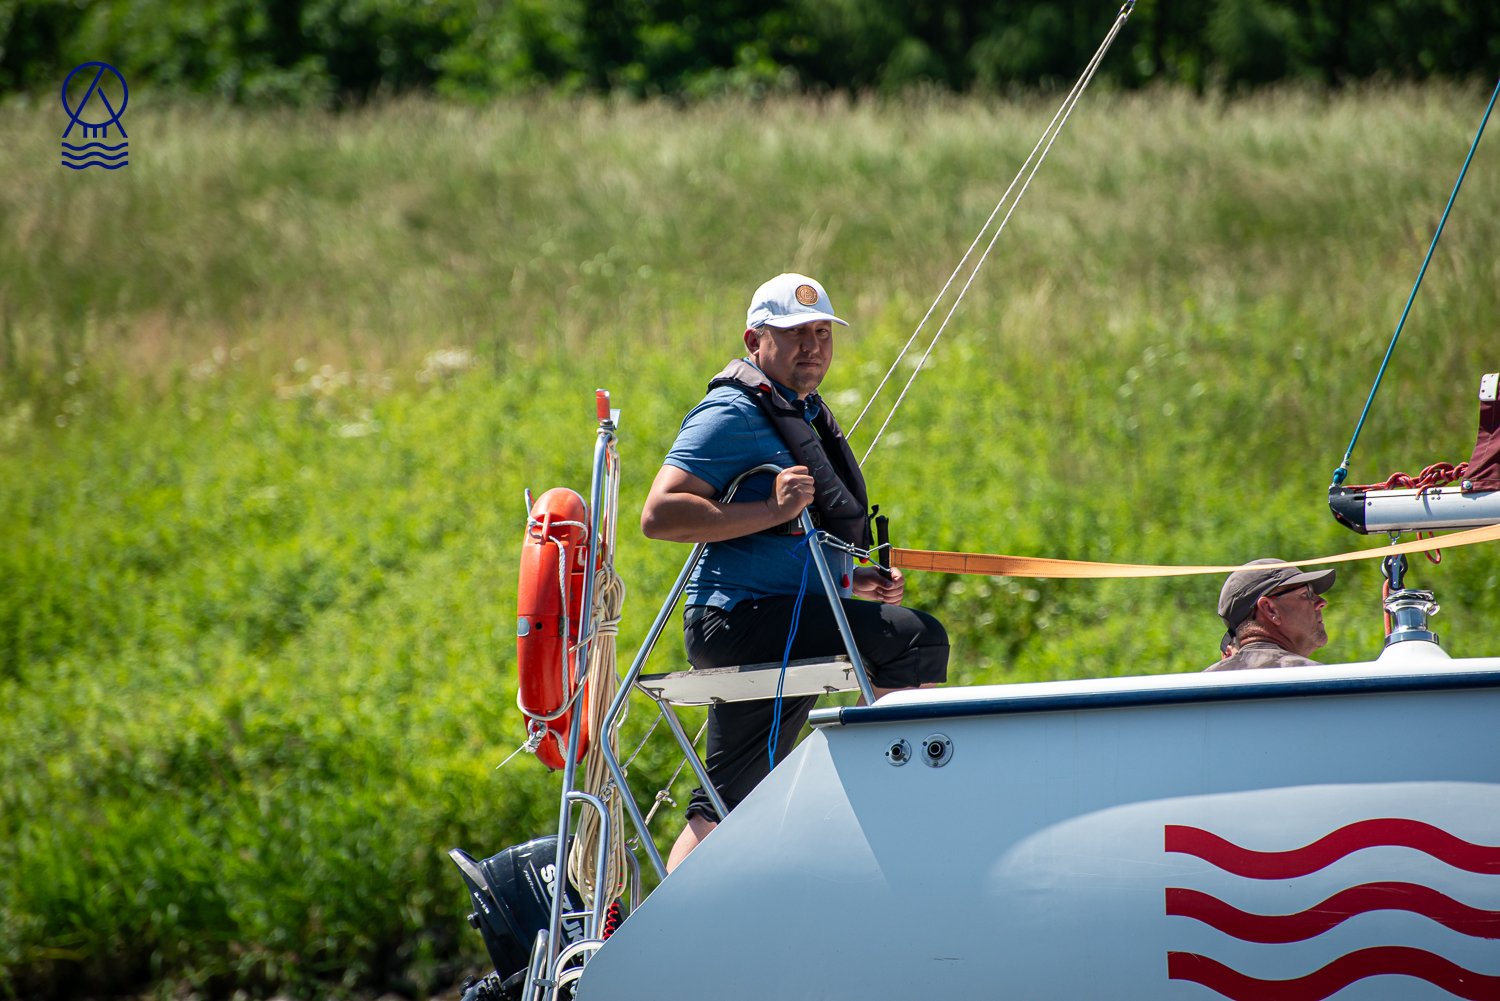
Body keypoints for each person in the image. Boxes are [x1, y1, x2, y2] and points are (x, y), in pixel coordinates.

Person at [641, 272, 949, 870]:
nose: (812, 346)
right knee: (914, 640)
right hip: (737, 620)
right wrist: (772, 509)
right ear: (754, 340)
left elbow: (789, 545)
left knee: (728, 801)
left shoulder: (797, 412)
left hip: (775, 615)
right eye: (794, 334)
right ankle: (894, 815)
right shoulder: (730, 412)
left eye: (822, 333)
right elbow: (659, 514)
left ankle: (669, 912)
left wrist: (850, 582)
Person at [1206, 558, 1334, 672]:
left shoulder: (1202, 683)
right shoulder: (1320, 679)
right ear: (1270, 609)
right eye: (1306, 594)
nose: (1322, 602)